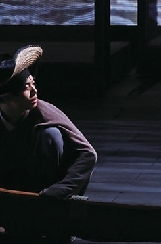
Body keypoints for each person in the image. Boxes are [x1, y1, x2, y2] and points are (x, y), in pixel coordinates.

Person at [0, 45, 97, 200]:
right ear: (6, 98)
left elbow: (88, 154)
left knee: (51, 135)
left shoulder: (43, 112)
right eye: (26, 87)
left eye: (33, 83)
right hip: (10, 188)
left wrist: (60, 189)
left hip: (44, 190)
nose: (34, 91)